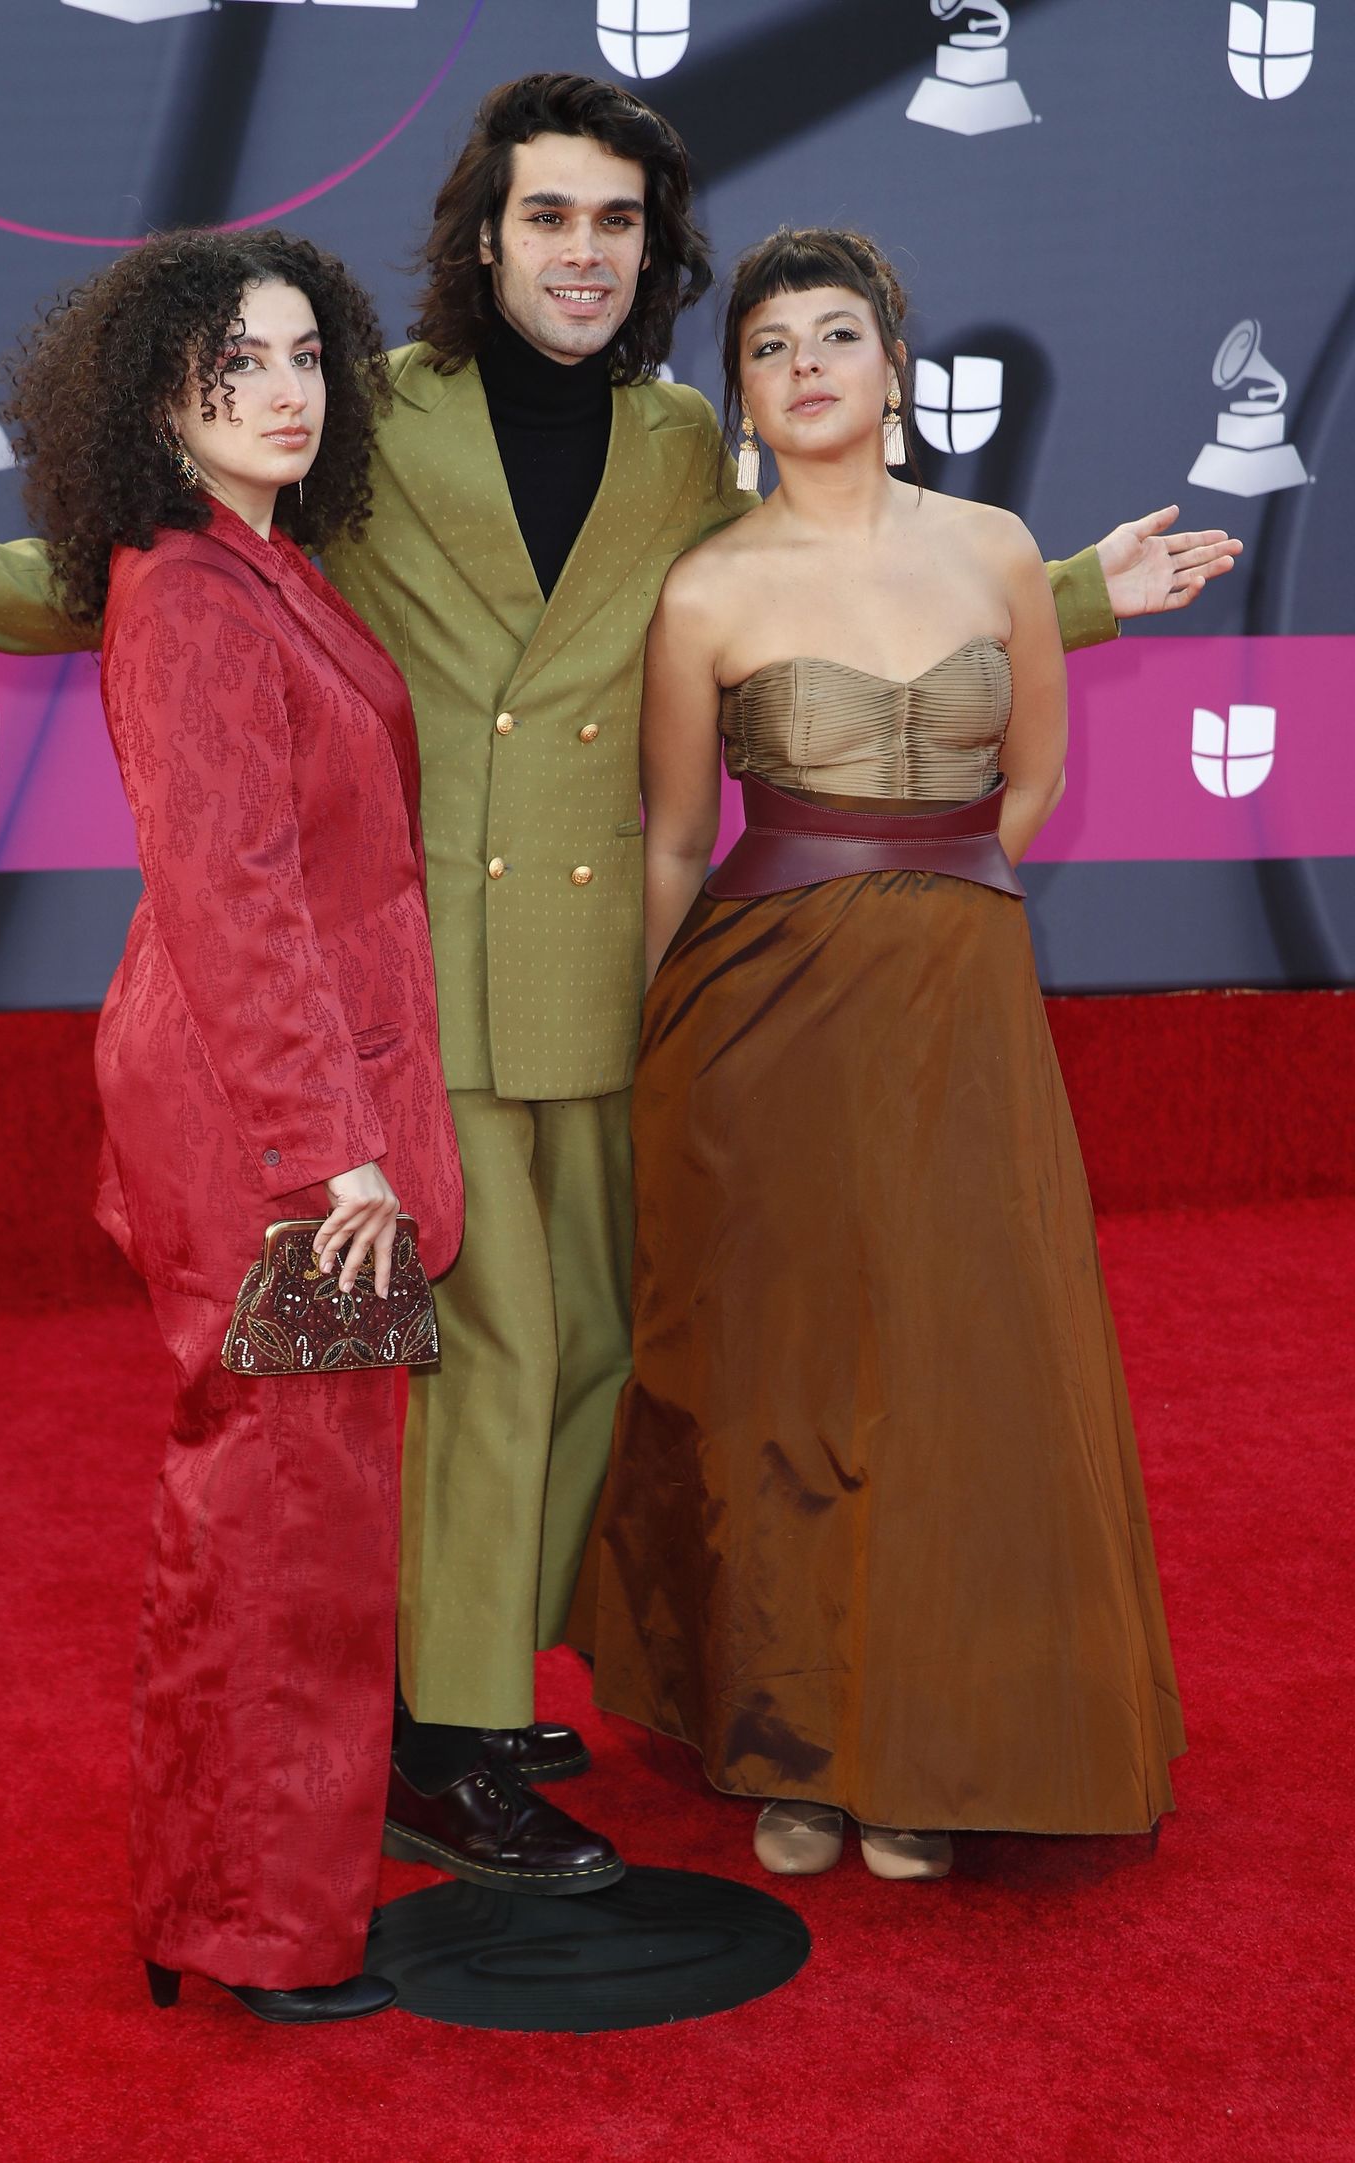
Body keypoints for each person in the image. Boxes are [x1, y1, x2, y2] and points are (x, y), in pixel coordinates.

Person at [0, 76, 1236, 1894]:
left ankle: (461, 1674)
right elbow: (157, 562)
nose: (585, 252)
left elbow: (834, 593)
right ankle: (445, 1742)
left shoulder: (688, 438)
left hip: (617, 971)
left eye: (619, 223)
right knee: (503, 1351)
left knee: (604, 1351)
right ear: (483, 233)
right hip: (419, 964)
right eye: (551, 217)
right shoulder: (369, 413)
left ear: (654, 249)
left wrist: (1072, 596)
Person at [582, 227, 1185, 1883]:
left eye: (834, 334)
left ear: (894, 367)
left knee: (964, 1359)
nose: (804, 367)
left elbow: (1034, 778)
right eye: (768, 348)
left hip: (964, 994)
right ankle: (793, 1742)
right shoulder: (708, 585)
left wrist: (944, 901)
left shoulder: (995, 548)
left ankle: (929, 1741)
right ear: (746, 398)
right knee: (786, 1371)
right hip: (761, 1015)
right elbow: (671, 838)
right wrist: (653, 1033)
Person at [8, 226, 461, 2018]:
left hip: (311, 1113)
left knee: (299, 1511)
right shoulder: (190, 593)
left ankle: (240, 1903)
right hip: (277, 1137)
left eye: (299, 356)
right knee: (284, 1527)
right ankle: (252, 1930)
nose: (281, 390)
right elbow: (233, 896)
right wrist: (327, 1152)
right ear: (157, 401)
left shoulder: (266, 566)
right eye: (231, 366)